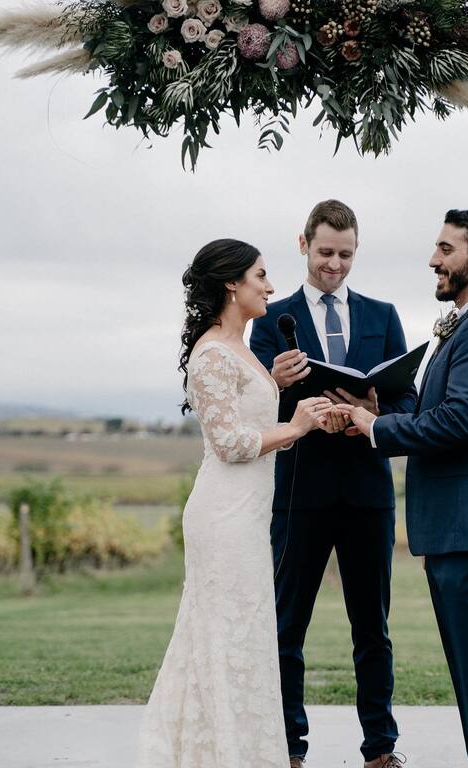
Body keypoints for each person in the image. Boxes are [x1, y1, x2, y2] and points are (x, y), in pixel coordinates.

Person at [340, 210, 468, 768]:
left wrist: (374, 429)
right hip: (461, 532)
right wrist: (378, 409)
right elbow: (447, 413)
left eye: (445, 248)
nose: (434, 260)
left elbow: (459, 422)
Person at [135, 239, 333, 768]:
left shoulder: (241, 349)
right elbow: (231, 443)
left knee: (243, 637)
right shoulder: (212, 353)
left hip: (247, 514)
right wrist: (294, 426)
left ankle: (239, 750)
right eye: (261, 276)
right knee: (223, 636)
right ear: (231, 284)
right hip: (222, 515)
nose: (270, 287)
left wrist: (275, 383)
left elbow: (246, 416)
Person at [250, 200, 417, 768]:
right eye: (325, 253)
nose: (335, 265)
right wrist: (273, 379)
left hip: (367, 491)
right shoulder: (272, 319)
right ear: (303, 245)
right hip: (298, 491)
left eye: (345, 255)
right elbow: (250, 404)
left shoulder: (384, 314)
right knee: (286, 625)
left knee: (373, 626)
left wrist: (374, 406)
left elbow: (407, 399)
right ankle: (288, 748)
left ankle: (380, 750)